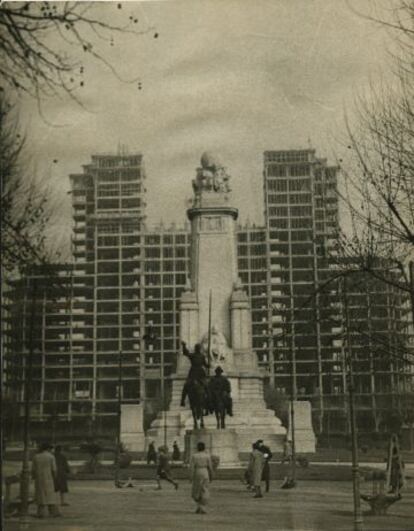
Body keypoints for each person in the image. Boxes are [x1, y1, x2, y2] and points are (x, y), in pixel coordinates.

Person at [31, 442, 61, 518]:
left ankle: (41, 513)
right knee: (50, 495)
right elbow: (54, 469)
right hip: (49, 477)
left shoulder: (36, 457)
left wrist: (34, 477)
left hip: (39, 478)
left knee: (40, 495)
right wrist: (55, 478)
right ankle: (54, 512)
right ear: (48, 449)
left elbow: (33, 470)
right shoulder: (51, 457)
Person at [180, 341, 209, 407]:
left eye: (198, 348)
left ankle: (209, 401)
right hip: (196, 373)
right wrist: (184, 346)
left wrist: (208, 365)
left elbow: (205, 364)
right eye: (198, 348)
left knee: (206, 386)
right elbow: (186, 353)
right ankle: (182, 401)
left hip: (196, 373)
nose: (198, 349)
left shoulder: (202, 356)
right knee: (186, 385)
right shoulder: (193, 355)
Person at [189, 441, 213, 514]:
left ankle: (200, 507)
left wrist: (191, 477)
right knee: (204, 489)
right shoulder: (207, 456)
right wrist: (211, 475)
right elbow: (210, 467)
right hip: (205, 472)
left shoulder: (194, 456)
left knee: (197, 489)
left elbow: (192, 467)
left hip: (197, 472)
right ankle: (201, 507)